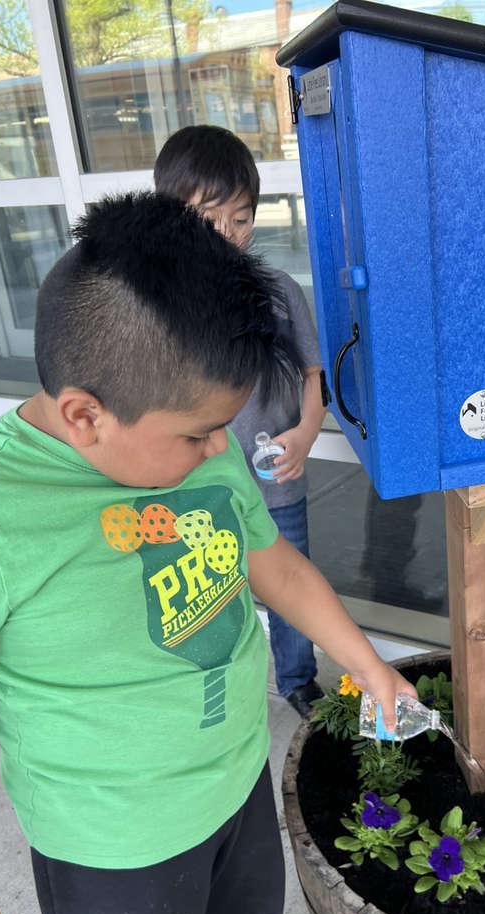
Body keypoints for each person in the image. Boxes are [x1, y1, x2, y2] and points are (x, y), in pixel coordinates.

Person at [0, 192, 414, 914]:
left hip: (234, 780)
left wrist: (367, 665)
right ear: (84, 413)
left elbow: (271, 564)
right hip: (109, 847)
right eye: (197, 436)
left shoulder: (198, 437)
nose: (217, 452)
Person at [154, 126, 326, 721]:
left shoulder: (278, 291)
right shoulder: (157, 302)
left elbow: (314, 375)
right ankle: (220, 691)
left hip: (275, 477)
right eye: (208, 216)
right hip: (196, 487)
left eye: (242, 217)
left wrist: (304, 433)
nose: (228, 233)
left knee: (291, 583)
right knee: (206, 599)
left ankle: (299, 681)